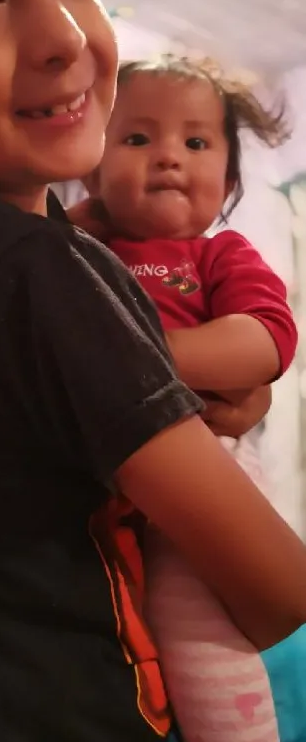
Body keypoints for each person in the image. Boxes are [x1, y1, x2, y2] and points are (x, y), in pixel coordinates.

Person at [0, 0, 305, 742]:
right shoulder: (42, 268)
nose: (61, 34)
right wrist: (157, 373)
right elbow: (277, 590)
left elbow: (265, 333)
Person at [70, 56, 301, 740]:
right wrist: (81, 212)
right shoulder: (79, 249)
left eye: (195, 142)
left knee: (194, 623)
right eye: (136, 139)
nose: (168, 156)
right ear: (93, 164)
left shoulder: (216, 255)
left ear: (228, 181)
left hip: (204, 470)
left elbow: (262, 340)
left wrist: (136, 362)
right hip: (102, 483)